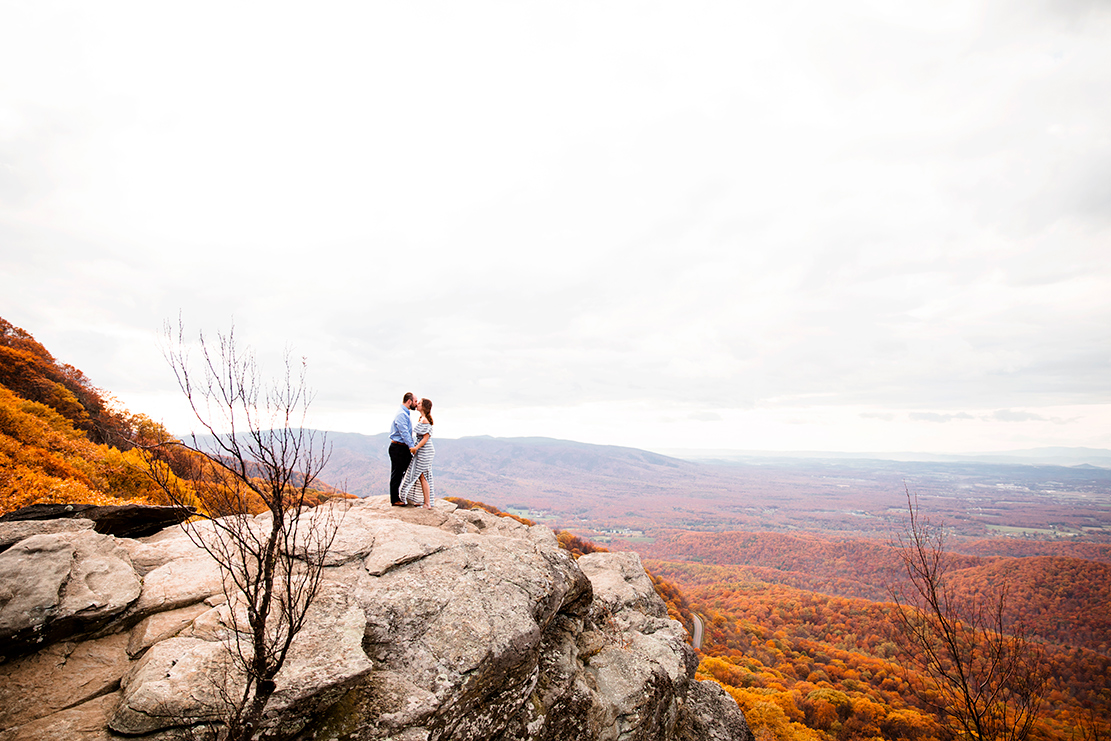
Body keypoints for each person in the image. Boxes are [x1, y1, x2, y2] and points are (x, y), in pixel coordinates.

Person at [399, 398, 435, 509]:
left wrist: (416, 448)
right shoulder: (422, 418)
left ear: (423, 406)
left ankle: (427, 503)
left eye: (419, 403)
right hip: (423, 450)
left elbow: (425, 438)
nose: (417, 405)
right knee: (421, 475)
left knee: (422, 475)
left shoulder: (424, 420)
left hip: (424, 451)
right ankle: (422, 500)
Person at [388, 392, 419, 506]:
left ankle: (407, 497)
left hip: (402, 447)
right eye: (415, 401)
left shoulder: (405, 413)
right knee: (397, 473)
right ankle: (395, 499)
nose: (416, 404)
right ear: (409, 401)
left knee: (409, 471)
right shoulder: (401, 414)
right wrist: (411, 446)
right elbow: (404, 432)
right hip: (398, 447)